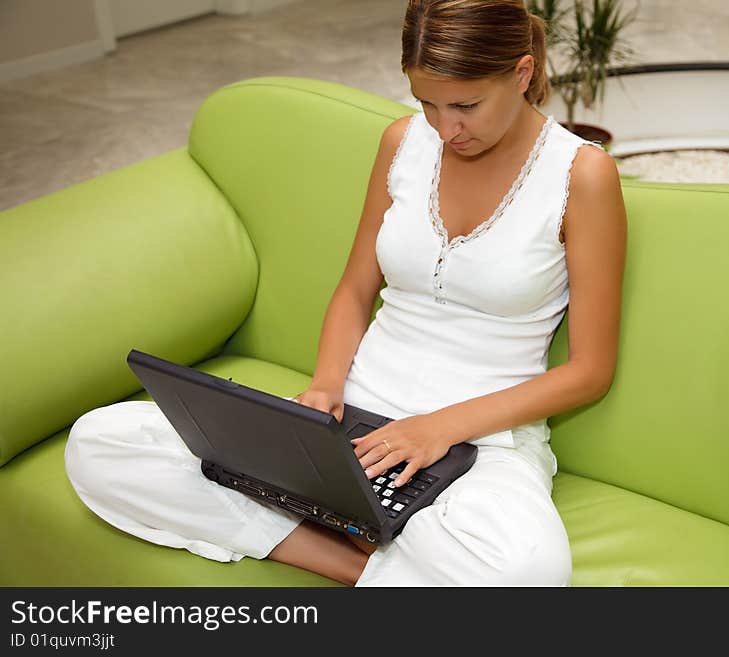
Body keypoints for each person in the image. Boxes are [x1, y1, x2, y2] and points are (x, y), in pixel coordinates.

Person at [64, 0, 627, 587]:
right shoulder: (401, 143)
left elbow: (589, 371)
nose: (446, 128)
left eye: (466, 105)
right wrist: (325, 387)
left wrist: (437, 428)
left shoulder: (581, 174)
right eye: (427, 103)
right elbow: (357, 289)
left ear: (521, 73)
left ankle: (353, 531)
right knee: (99, 443)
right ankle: (352, 562)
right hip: (354, 418)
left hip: (482, 441)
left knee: (526, 571)